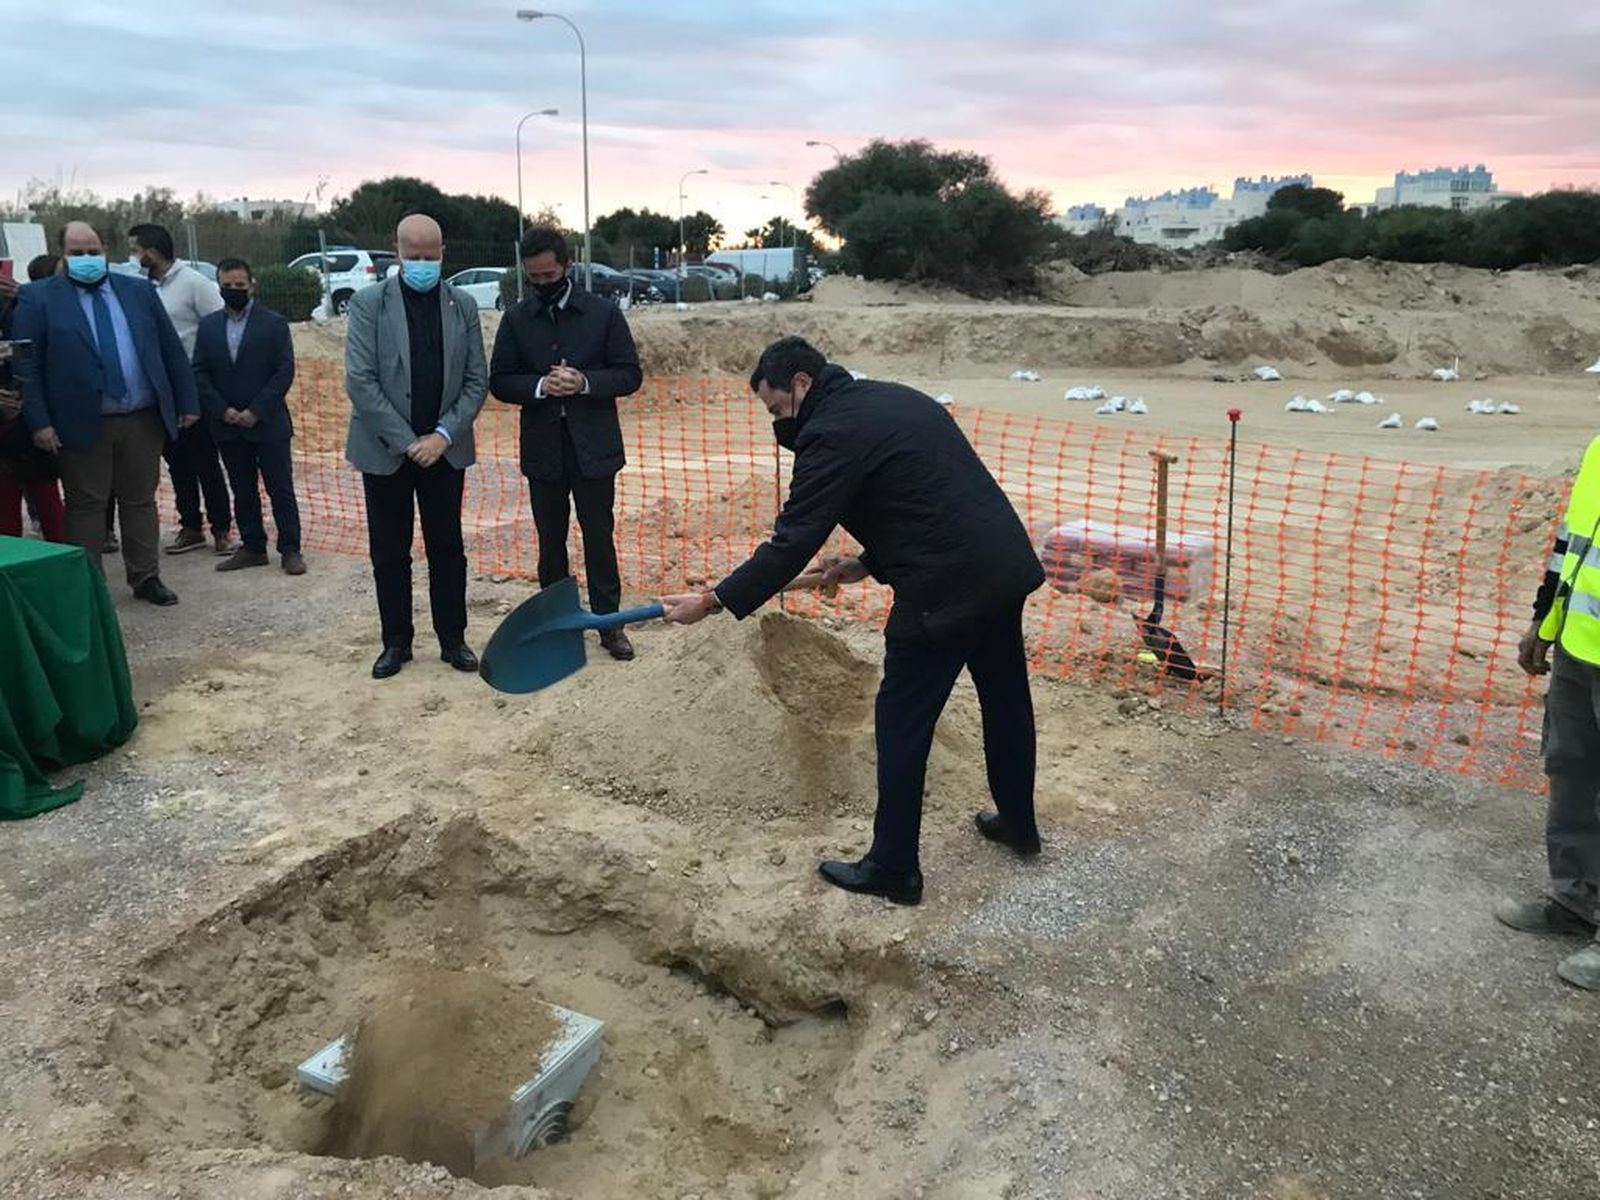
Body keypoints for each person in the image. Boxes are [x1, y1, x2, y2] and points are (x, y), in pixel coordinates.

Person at [659, 336, 1046, 906]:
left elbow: (791, 543)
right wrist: (865, 563)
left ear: (801, 385)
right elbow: (925, 498)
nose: (778, 426)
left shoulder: (829, 434)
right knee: (1007, 699)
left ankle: (893, 867)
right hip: (999, 567)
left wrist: (714, 600)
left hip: (944, 589)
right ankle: (1019, 824)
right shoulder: (893, 398)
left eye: (776, 411)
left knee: (901, 721)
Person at [12, 221, 198, 604]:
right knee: (86, 506)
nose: (87, 260)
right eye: (77, 253)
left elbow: (169, 349)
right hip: (81, 422)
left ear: (106, 251)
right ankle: (89, 586)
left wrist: (186, 401)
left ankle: (145, 577)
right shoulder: (38, 298)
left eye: (93, 252)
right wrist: (40, 422)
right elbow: (27, 366)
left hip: (141, 418)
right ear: (63, 255)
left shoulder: (139, 291)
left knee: (140, 500)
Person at [490, 226, 643, 661]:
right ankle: (556, 625)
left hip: (594, 449)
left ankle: (609, 624)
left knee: (599, 536)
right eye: (533, 278)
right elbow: (499, 380)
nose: (542, 284)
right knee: (550, 541)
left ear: (567, 266)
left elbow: (629, 374)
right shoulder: (517, 318)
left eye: (549, 275)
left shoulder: (602, 314)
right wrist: (540, 386)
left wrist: (584, 382)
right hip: (543, 452)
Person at [345, 213, 487, 679]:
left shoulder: (462, 305)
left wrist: (442, 436)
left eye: (431, 256)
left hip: (445, 450)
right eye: (414, 256)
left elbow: (475, 380)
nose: (423, 264)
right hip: (387, 451)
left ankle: (453, 639)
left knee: (447, 548)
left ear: (443, 253)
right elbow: (361, 382)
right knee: (390, 551)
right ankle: (396, 643)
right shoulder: (369, 305)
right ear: (398, 252)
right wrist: (409, 443)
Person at [1503, 433, 1600, 989]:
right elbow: (1573, 544)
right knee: (1572, 774)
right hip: (1578, 646)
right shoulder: (1597, 447)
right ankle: (1577, 900)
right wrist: (1542, 623)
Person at [193, 257, 304, 575]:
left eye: (239, 286)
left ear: (252, 285)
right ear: (219, 286)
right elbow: (199, 371)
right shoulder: (209, 326)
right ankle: (253, 546)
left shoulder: (274, 324)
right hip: (227, 426)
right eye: (226, 286)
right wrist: (222, 410)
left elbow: (284, 371)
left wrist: (256, 410)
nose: (233, 291)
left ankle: (290, 550)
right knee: (242, 489)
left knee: (280, 488)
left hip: (268, 424)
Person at [129, 223, 234, 556]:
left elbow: (220, 329)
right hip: (161, 389)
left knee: (206, 462)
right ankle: (191, 526)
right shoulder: (142, 287)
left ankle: (221, 529)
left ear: (153, 250)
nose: (133, 256)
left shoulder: (194, 284)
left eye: (136, 249)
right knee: (176, 463)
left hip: (194, 385)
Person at [0, 258, 66, 541]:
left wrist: (23, 299)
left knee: (50, 506)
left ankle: (63, 570)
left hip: (30, 422)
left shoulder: (22, 304)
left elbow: (42, 356)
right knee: (6, 517)